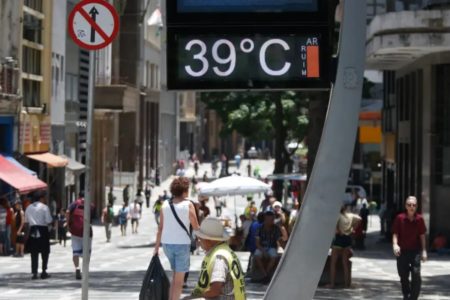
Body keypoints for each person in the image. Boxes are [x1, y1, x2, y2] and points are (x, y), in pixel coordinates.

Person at [154, 177, 200, 300]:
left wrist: (156, 248)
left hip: (167, 244)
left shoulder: (165, 204)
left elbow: (160, 227)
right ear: (184, 191)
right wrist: (201, 240)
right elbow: (195, 226)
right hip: (182, 244)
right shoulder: (188, 204)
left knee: (175, 276)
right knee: (179, 280)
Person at [185, 217, 246, 300]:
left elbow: (215, 290)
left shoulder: (219, 258)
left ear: (209, 240)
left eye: (200, 239)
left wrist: (199, 296)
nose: (198, 242)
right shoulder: (225, 251)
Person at [392, 196, 427, 300]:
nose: (411, 207)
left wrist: (424, 251)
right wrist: (395, 244)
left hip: (415, 251)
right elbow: (395, 233)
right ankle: (406, 294)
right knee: (403, 275)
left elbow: (422, 235)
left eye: (414, 205)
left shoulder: (420, 219)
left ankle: (413, 297)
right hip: (402, 251)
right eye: (409, 205)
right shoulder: (400, 218)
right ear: (405, 206)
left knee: (416, 273)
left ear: (416, 206)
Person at [326, 205, 361, 289]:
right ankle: (346, 284)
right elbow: (360, 219)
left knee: (333, 262)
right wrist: (353, 228)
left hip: (339, 239)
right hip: (347, 239)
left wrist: (338, 230)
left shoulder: (337, 216)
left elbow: (335, 227)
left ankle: (332, 284)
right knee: (345, 263)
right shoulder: (350, 216)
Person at [24, 190, 53, 280]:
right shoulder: (44, 207)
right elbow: (48, 220)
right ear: (41, 198)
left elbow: (26, 221)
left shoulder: (28, 208)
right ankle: (44, 271)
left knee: (34, 252)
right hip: (43, 230)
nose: (45, 199)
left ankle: (34, 272)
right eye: (44, 197)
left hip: (32, 230)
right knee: (45, 252)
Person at [254, 210, 288, 283]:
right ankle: (265, 275)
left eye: (273, 219)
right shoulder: (259, 229)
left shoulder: (276, 228)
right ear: (265, 219)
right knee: (257, 255)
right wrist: (263, 251)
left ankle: (265, 274)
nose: (272, 221)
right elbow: (257, 243)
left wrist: (286, 250)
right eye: (270, 220)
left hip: (271, 247)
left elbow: (280, 240)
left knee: (274, 256)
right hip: (261, 247)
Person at [66, 192, 94, 280]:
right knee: (87, 252)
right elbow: (92, 216)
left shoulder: (74, 203)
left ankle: (77, 268)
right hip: (86, 231)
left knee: (75, 251)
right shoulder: (90, 204)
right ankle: (85, 270)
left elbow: (67, 211)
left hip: (75, 231)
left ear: (79, 195)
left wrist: (68, 224)